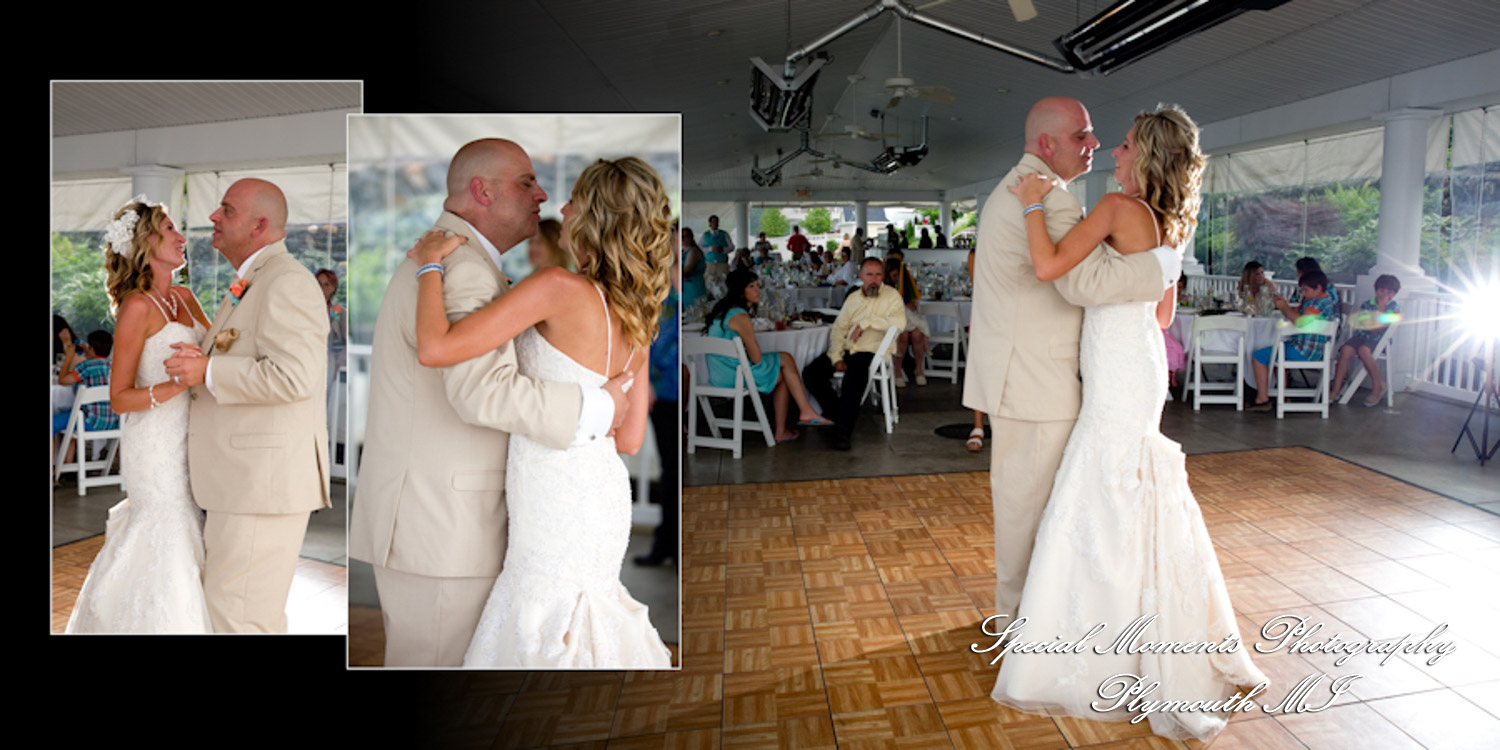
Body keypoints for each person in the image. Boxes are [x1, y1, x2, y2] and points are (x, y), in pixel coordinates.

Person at [992, 103, 1266, 741]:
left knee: (1102, 484)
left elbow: (1049, 267)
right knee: (1126, 485)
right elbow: (1164, 317)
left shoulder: (1118, 211)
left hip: (1118, 370)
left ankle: (1102, 645)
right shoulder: (1171, 221)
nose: (1111, 153)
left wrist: (1034, 203)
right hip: (1141, 362)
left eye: (1121, 146)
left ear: (1145, 156)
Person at [349, 139, 630, 666]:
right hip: (443, 527)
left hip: (438, 521)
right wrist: (597, 409)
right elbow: (482, 391)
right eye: (527, 182)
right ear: (483, 190)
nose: (542, 194)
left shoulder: (460, 260)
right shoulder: (465, 268)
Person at [406, 155, 674, 669]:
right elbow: (631, 439)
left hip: (551, 491)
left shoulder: (555, 287)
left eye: (575, 198)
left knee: (540, 617)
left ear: (594, 215)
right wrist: (604, 401)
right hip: (601, 490)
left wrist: (429, 267)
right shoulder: (640, 312)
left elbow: (435, 350)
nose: (563, 206)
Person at [161, 179, 330, 634]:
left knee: (239, 621)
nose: (214, 217)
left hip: (261, 486)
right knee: (231, 615)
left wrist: (208, 372)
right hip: (241, 483)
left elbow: (294, 376)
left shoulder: (287, 281)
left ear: (259, 225)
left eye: (227, 210)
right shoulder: (256, 280)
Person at [67, 195, 215, 633]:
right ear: (147, 242)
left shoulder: (186, 297)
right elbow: (119, 397)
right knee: (167, 528)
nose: (181, 237)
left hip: (193, 435)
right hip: (153, 444)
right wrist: (175, 385)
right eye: (171, 229)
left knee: (192, 525)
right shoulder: (136, 306)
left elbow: (211, 351)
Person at [703, 269, 830, 443]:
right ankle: (797, 417)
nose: (758, 290)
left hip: (719, 375)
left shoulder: (722, 311)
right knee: (785, 361)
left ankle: (794, 420)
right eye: (752, 286)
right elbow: (756, 359)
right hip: (734, 376)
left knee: (784, 365)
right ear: (741, 291)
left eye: (758, 285)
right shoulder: (740, 316)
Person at [801, 258, 905, 451]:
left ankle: (843, 432)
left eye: (878, 275)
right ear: (860, 276)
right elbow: (839, 329)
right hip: (849, 348)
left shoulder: (891, 296)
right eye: (869, 275)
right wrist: (837, 357)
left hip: (872, 351)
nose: (874, 280)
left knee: (853, 377)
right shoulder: (853, 298)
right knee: (811, 373)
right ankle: (839, 414)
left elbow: (899, 322)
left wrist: (866, 324)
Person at [635, 216, 682, 568]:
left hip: (684, 382)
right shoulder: (653, 282)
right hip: (663, 387)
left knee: (679, 468)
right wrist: (645, 379)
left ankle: (675, 543)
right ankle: (667, 543)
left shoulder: (684, 280)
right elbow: (644, 334)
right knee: (670, 467)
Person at [1248, 270, 1339, 412]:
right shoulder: (1324, 301)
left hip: (1304, 351)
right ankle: (1283, 396)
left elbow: (1300, 322)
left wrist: (1284, 307)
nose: (1303, 293)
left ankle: (1262, 399)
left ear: (1318, 288)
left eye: (1305, 290)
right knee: (1276, 354)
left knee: (1258, 356)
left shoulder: (1316, 304)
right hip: (1313, 350)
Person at [1330, 274, 1402, 405]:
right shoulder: (1367, 305)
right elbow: (1369, 326)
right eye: (1382, 290)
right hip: (1361, 336)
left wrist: (1381, 308)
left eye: (1389, 292)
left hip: (1379, 341)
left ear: (1395, 294)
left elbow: (1375, 329)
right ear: (1376, 290)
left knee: (1364, 351)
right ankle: (1336, 389)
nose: (1384, 294)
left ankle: (1377, 386)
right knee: (1345, 351)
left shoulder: (1393, 308)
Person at [885, 249, 930, 386]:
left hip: (908, 320)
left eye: (899, 275)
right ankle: (897, 371)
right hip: (892, 323)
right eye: (894, 276)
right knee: (903, 334)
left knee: (917, 334)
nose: (897, 279)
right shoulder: (885, 289)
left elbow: (915, 305)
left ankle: (919, 370)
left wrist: (911, 304)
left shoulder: (907, 285)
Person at [316, 267, 347, 400]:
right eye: (318, 284)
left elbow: (346, 341)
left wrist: (339, 363)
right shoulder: (306, 309)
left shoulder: (339, 311)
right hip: (310, 358)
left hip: (330, 361)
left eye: (326, 284)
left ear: (333, 288)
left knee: (325, 398)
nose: (322, 288)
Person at [681, 225, 707, 307]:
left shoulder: (693, 251)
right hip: (685, 286)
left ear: (690, 237)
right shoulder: (682, 251)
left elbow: (686, 269)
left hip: (693, 286)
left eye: (684, 236)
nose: (682, 239)